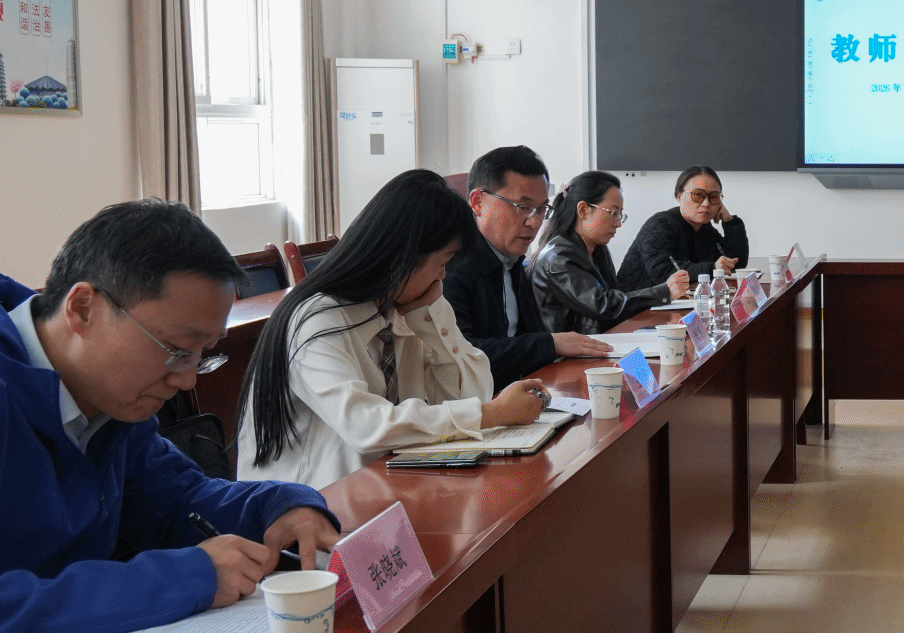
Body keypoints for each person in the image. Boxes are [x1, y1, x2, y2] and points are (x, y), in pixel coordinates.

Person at [0, 200, 340, 633]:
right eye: (176, 350)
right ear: (83, 308)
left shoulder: (105, 392)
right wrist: (185, 579)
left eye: (203, 354)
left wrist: (280, 505)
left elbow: (176, 500)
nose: (187, 379)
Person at [239, 169, 552, 487]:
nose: (442, 277)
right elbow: (365, 425)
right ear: (405, 258)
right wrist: (491, 414)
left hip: (380, 485)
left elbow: (471, 394)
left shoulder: (400, 305)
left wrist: (429, 318)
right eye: (443, 262)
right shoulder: (317, 319)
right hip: (310, 501)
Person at [444, 146, 612, 388]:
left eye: (542, 209)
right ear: (477, 202)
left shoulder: (511, 260)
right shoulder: (450, 265)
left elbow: (525, 339)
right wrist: (551, 343)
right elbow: (464, 355)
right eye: (522, 207)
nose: (534, 222)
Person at [532, 170, 691, 334]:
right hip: (567, 349)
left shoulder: (596, 249)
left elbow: (613, 298)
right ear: (583, 210)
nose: (618, 223)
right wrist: (664, 291)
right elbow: (602, 305)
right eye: (613, 213)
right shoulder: (558, 256)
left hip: (597, 340)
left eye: (620, 215)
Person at [617, 166, 749, 289]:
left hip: (680, 302)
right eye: (698, 195)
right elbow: (663, 273)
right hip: (638, 303)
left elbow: (736, 265)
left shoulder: (706, 230)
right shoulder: (660, 224)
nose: (706, 203)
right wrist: (712, 268)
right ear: (679, 196)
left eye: (713, 197)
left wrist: (730, 222)